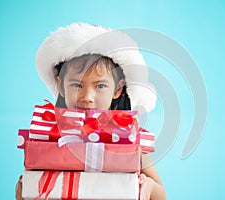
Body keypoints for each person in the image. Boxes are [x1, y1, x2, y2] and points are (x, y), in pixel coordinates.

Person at [16, 23, 166, 200]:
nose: (87, 97)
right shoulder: (47, 136)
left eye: (100, 86)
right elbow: (27, 189)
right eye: (77, 85)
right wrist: (24, 188)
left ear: (117, 89)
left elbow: (160, 195)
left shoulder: (130, 138)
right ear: (60, 85)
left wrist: (147, 187)